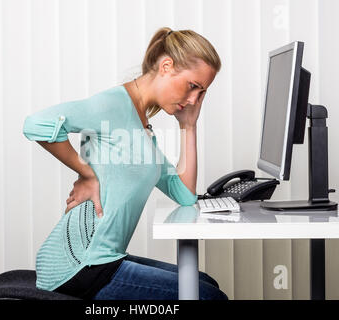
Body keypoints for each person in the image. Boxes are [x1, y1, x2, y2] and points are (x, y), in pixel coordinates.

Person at [22, 27, 228, 300]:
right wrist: (86, 174)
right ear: (167, 66)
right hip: (80, 267)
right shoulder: (113, 105)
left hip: (106, 259)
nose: (193, 100)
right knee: (207, 297)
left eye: (201, 93)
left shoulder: (142, 126)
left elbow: (185, 195)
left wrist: (188, 126)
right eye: (193, 86)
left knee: (205, 283)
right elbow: (36, 124)